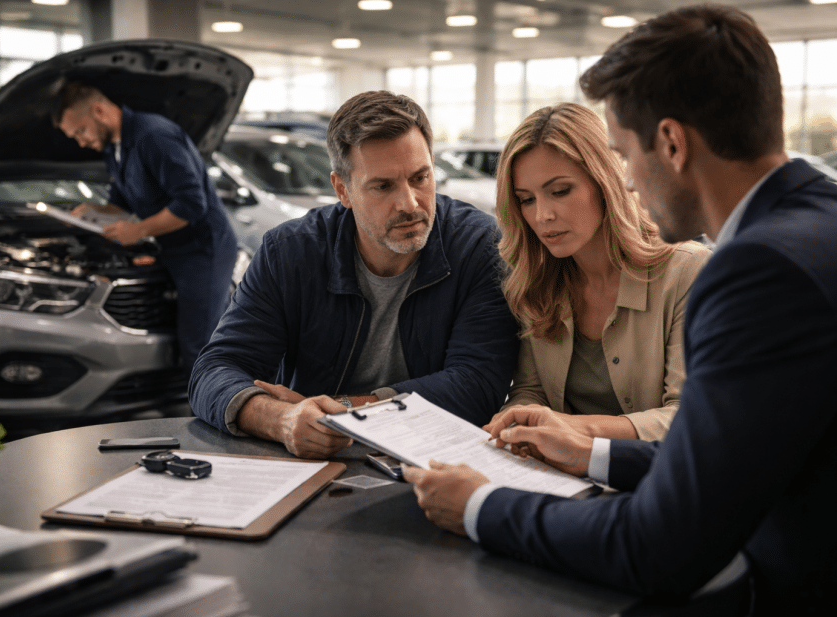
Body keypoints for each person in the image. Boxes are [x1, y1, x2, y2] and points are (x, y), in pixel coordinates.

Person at [403, 5, 837, 617]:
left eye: (625, 155)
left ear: (671, 143)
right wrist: (589, 453)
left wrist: (479, 506)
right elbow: (721, 450)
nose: (631, 180)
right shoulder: (818, 224)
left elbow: (663, 545)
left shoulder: (756, 270)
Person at [189, 90, 519, 459]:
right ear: (342, 190)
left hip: (435, 460)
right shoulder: (290, 253)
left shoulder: (477, 245)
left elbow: (477, 385)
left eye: (420, 178)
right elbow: (214, 370)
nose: (410, 204)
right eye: (383, 186)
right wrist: (281, 418)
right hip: (314, 459)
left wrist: (346, 411)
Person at [492, 102, 710, 442]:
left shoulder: (687, 271)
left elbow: (688, 416)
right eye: (526, 199)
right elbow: (529, 392)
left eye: (560, 191)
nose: (541, 216)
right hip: (560, 480)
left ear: (605, 181)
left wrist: (570, 431)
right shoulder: (535, 280)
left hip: (652, 483)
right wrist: (513, 425)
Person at [51, 82, 238, 371]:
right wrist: (90, 212)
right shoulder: (114, 147)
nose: (81, 142)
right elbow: (122, 204)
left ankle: (210, 412)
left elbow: (191, 203)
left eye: (80, 131)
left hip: (203, 250)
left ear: (99, 111)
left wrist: (138, 230)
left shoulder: (154, 136)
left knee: (200, 344)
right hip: (170, 248)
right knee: (181, 338)